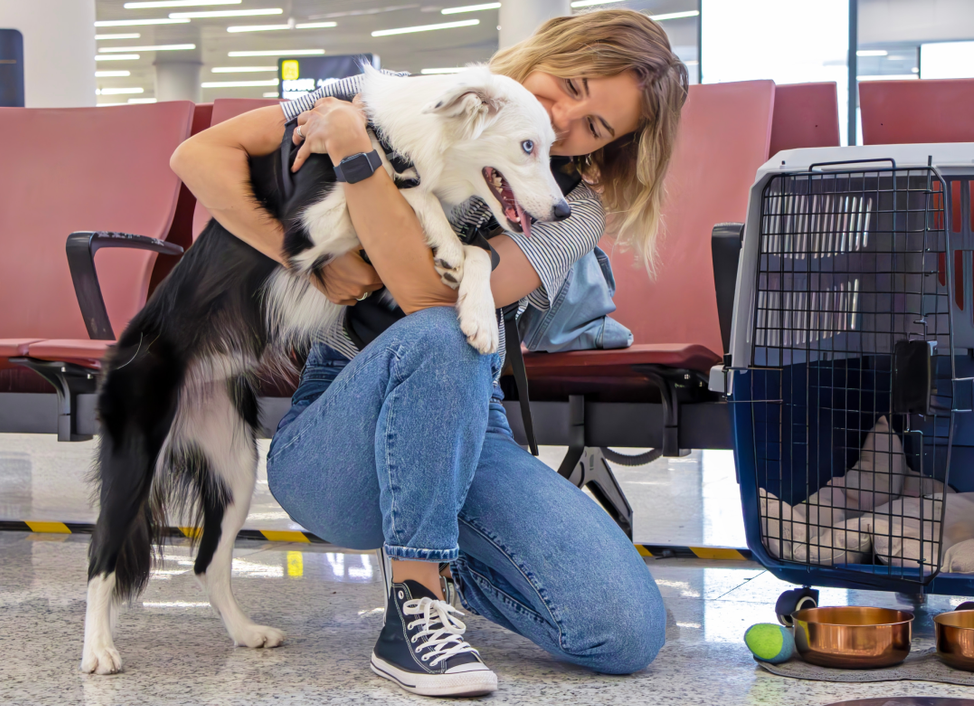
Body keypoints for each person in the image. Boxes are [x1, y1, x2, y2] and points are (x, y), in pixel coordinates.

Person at [169, 9, 687, 697]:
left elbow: (423, 297)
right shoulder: (393, 94)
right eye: (568, 84)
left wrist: (356, 155)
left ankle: (438, 552)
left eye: (594, 127)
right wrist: (303, 261)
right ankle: (415, 613)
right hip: (338, 423)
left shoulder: (572, 209)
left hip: (468, 423)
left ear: (609, 148)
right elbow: (198, 156)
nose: (561, 121)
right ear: (544, 54)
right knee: (455, 331)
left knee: (623, 632)